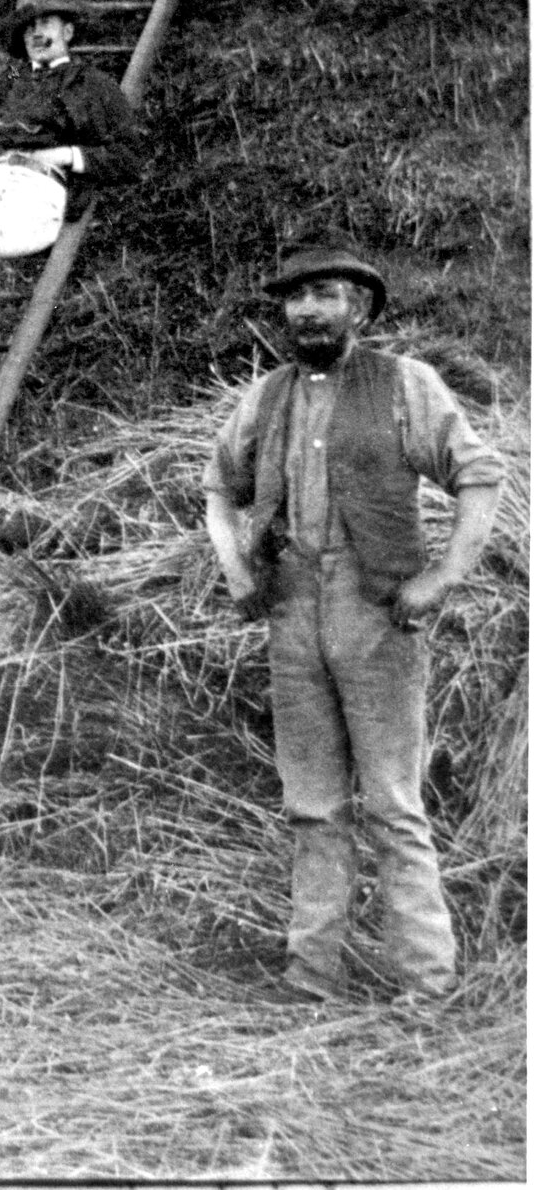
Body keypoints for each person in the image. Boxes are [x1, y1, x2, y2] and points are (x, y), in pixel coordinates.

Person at [202, 247, 504, 1005]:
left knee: (395, 805)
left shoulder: (407, 384)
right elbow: (217, 486)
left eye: (326, 294)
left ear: (359, 309)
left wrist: (440, 578)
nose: (308, 309)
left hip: (376, 612)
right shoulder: (267, 396)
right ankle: (312, 981)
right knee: (312, 806)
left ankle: (426, 987)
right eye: (297, 296)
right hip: (291, 610)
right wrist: (239, 570)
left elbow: (480, 476)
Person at [0, 0, 142, 407]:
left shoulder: (93, 84)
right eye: (29, 26)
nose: (36, 32)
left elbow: (130, 156)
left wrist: (67, 153)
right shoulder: (6, 80)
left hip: (37, 196)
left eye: (46, 22)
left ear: (68, 31)